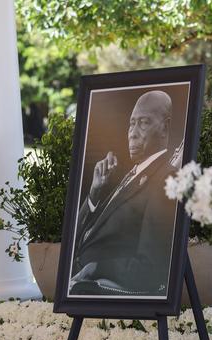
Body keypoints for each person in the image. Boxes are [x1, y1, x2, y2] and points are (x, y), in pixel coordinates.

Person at [70, 90, 178, 297]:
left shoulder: (165, 180)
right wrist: (94, 193)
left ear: (164, 127)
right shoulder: (132, 174)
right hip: (76, 281)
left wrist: (96, 268)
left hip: (94, 289)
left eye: (144, 123)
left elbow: (150, 268)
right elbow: (81, 235)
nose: (132, 132)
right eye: (131, 123)